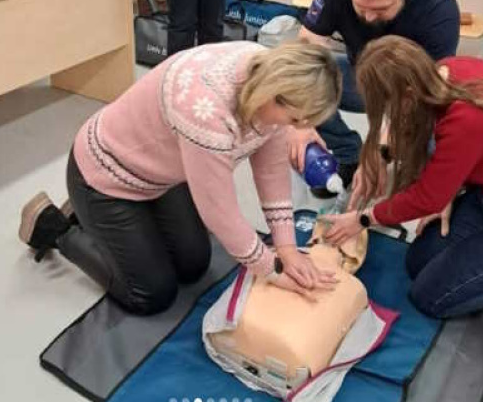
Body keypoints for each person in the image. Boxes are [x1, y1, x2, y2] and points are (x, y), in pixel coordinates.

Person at [19, 41, 340, 315]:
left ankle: (96, 220)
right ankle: (56, 227)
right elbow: (219, 211)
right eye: (294, 118)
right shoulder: (208, 111)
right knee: (151, 294)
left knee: (194, 265)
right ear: (275, 94)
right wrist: (272, 269)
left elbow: (271, 170)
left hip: (163, 177)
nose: (294, 127)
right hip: (106, 177)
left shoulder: (270, 77)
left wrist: (287, 248)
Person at [322, 36, 483, 345]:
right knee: (417, 261)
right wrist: (445, 184)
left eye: (389, 105)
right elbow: (450, 167)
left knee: (431, 298)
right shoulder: (445, 71)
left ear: (408, 94)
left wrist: (363, 219)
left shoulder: (467, 117)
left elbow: (427, 197)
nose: (389, 114)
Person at [289, 0, 460, 192]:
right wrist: (301, 121)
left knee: (438, 135)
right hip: (363, 78)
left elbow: (431, 89)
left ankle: (432, 181)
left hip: (417, 89)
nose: (368, 18)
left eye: (380, 9)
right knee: (305, 82)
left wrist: (380, 151)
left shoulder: (438, 6)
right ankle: (349, 155)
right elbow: (305, 56)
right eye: (360, 7)